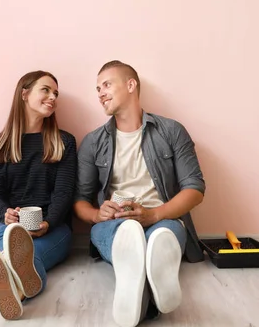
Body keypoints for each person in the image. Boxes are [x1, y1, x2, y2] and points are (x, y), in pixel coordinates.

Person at [74, 61, 206, 327]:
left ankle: (148, 264)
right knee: (124, 233)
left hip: (162, 218)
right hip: (112, 224)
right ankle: (142, 271)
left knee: (163, 234)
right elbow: (79, 200)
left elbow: (195, 188)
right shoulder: (93, 142)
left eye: (107, 84)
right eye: (97, 88)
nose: (100, 93)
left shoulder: (171, 131)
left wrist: (154, 214)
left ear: (131, 85)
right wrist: (97, 214)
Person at [0, 70, 77, 320]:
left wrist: (47, 222)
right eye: (46, 90)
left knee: (31, 255)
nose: (53, 96)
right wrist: (4, 214)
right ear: (24, 94)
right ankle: (21, 289)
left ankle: (13, 284)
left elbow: (64, 192)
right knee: (7, 246)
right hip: (6, 227)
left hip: (53, 228)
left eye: (56, 93)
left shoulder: (64, 142)